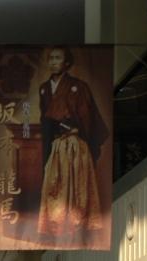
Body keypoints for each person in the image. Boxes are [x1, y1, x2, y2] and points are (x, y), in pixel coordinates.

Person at [36, 45, 108, 248]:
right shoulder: (44, 88)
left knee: (77, 188)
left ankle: (77, 232)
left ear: (66, 62)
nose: (53, 62)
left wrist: (78, 132)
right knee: (55, 187)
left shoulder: (78, 86)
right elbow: (45, 121)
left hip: (75, 145)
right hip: (57, 145)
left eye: (58, 58)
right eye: (51, 58)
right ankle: (57, 231)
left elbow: (88, 117)